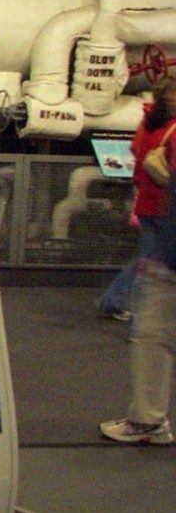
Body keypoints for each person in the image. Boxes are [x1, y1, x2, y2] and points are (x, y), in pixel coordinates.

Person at [99, 128, 176, 445]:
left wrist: (163, 258)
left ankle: (148, 422)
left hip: (168, 256)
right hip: (165, 247)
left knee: (152, 334)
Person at [97, 76, 176, 320]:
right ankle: (143, 322)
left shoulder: (148, 121)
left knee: (149, 259)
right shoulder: (173, 129)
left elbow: (136, 151)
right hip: (166, 206)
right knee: (153, 264)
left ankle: (114, 300)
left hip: (146, 201)